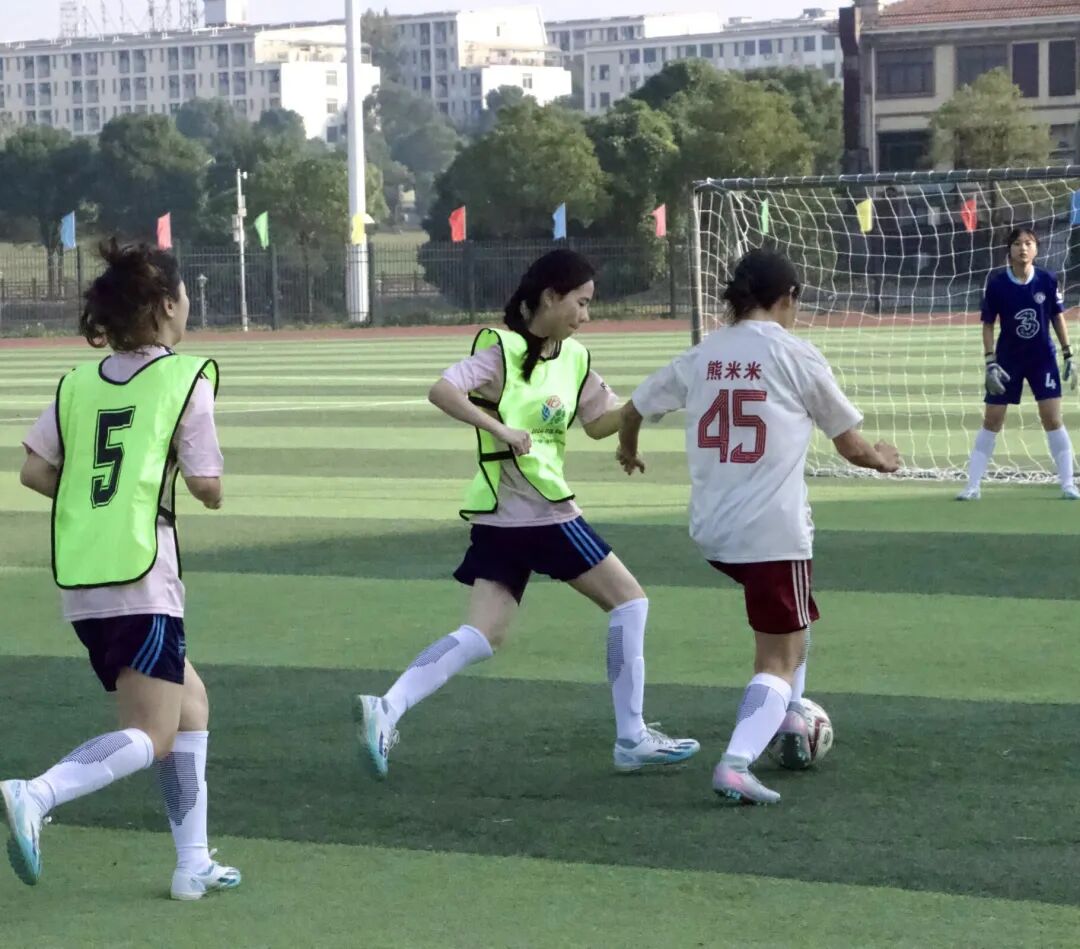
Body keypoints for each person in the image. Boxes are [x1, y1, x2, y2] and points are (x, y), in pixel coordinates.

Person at [353, 249, 699, 778]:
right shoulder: (502, 351)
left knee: (481, 635)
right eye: (580, 302)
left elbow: (598, 422)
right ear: (549, 298)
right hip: (543, 513)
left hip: (502, 523)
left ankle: (388, 707)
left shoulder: (574, 358)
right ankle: (632, 738)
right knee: (630, 602)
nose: (586, 315)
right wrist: (500, 428)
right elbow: (442, 389)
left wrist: (643, 407)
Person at [1, 240, 240, 901]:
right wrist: (195, 486)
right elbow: (208, 485)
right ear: (166, 305)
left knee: (191, 704)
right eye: (182, 294)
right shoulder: (184, 378)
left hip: (85, 579)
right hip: (144, 576)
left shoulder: (78, 384)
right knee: (153, 733)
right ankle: (37, 792)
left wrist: (96, 500)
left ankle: (192, 863)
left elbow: (34, 470)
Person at [617, 248, 900, 805]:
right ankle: (737, 762)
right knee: (780, 657)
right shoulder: (796, 354)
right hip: (771, 533)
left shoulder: (705, 353)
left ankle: (787, 714)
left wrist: (628, 449)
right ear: (789, 296)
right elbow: (851, 446)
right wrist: (883, 460)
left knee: (794, 623)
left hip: (713, 531)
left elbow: (632, 410)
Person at [957, 226, 1078, 500]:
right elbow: (988, 324)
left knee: (1052, 418)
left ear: (1036, 249)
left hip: (1042, 359)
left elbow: (1057, 317)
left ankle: (1068, 484)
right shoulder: (997, 284)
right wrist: (990, 361)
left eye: (1028, 243)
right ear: (1009, 250)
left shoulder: (1047, 280)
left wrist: (1068, 353)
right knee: (992, 420)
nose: (1023, 248)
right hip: (1007, 360)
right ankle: (972, 486)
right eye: (1017, 243)